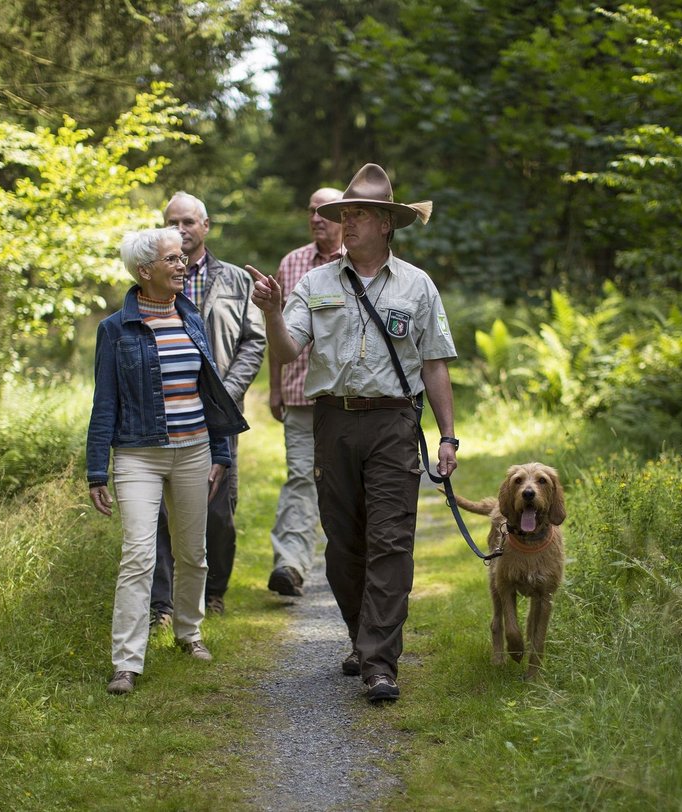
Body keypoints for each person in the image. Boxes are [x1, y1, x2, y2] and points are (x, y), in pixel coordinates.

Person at [246, 163, 459, 703]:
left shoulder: (417, 284)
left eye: (359, 214)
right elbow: (289, 349)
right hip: (333, 420)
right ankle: (362, 637)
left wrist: (448, 437)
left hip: (393, 421)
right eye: (344, 214)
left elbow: (434, 363)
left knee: (391, 540)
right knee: (344, 544)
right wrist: (272, 312)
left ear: (387, 223)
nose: (347, 223)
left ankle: (381, 663)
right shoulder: (316, 282)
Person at [86, 226, 248, 695]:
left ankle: (188, 632)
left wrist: (221, 453)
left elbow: (210, 390)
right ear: (145, 271)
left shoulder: (190, 317)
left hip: (195, 450)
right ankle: (127, 662)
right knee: (138, 555)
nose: (182, 266)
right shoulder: (114, 330)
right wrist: (97, 469)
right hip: (137, 456)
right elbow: (105, 404)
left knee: (192, 552)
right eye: (172, 260)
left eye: (182, 259)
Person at [150, 192, 266, 626]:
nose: (180, 229)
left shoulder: (236, 280)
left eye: (187, 221)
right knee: (162, 510)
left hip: (218, 411)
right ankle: (162, 604)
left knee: (218, 508)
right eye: (171, 223)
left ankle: (213, 592)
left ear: (205, 226)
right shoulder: (154, 277)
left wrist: (228, 391)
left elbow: (254, 341)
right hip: (165, 409)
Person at [266, 186, 344, 598]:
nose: (316, 219)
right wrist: (274, 389)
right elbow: (274, 328)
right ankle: (291, 565)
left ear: (345, 217)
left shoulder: (359, 262)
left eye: (325, 212)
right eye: (311, 211)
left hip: (344, 400)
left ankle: (346, 564)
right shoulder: (292, 263)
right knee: (300, 477)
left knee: (341, 483)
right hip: (298, 397)